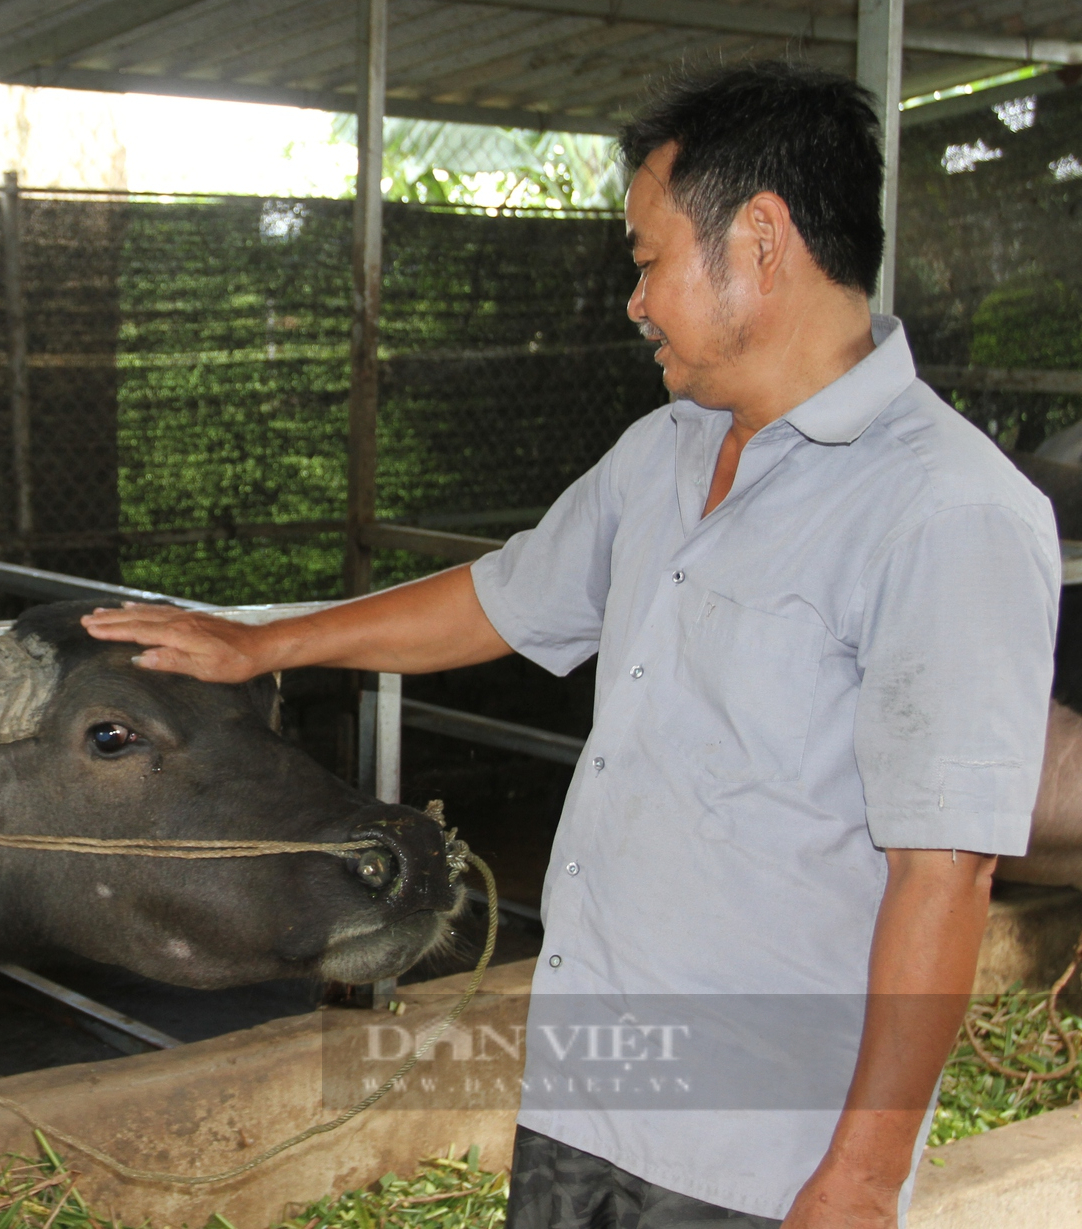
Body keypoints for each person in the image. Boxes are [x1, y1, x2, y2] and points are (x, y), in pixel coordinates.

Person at [80, 61, 1059, 1229]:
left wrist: (855, 1175)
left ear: (758, 239)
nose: (634, 301)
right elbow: (499, 598)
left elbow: (941, 874)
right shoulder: (666, 452)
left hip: (757, 1149)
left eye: (646, 262)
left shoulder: (946, 509)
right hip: (584, 1091)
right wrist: (262, 642)